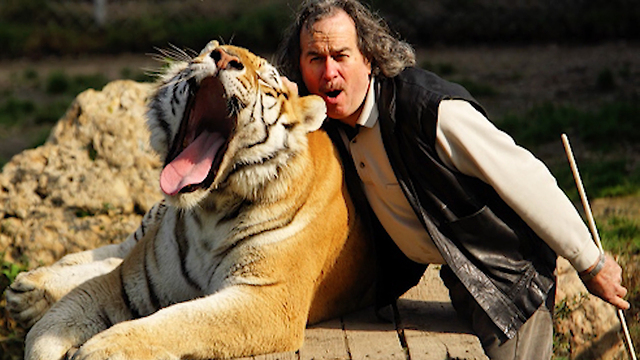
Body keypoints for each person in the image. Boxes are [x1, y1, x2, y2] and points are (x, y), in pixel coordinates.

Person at [276, 0, 630, 359]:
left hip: (508, 280)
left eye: (341, 55)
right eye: (315, 59)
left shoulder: (429, 111)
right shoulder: (323, 124)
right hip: (457, 276)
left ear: (368, 57)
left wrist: (590, 263)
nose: (329, 72)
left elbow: (526, 179)